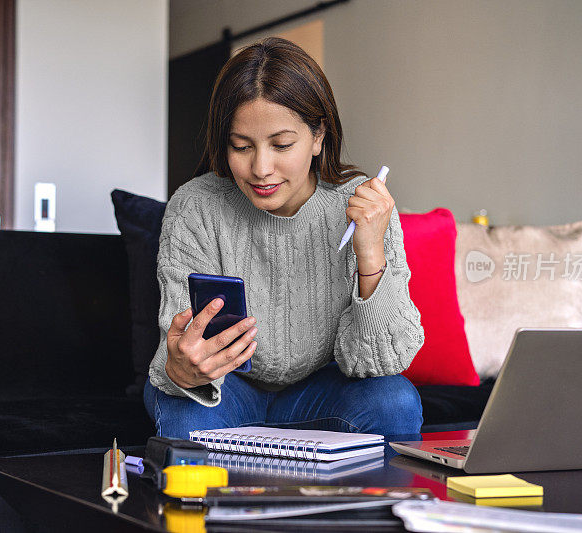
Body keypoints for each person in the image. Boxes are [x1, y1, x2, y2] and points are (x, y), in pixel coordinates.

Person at [144, 37, 424, 439]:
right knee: (185, 413)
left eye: (282, 145)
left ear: (318, 137)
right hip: (227, 390)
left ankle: (374, 505)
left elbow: (378, 362)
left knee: (394, 402)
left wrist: (369, 253)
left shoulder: (365, 204)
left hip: (318, 390)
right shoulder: (196, 208)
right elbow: (175, 354)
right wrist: (181, 368)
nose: (261, 168)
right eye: (241, 146)